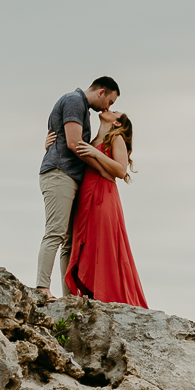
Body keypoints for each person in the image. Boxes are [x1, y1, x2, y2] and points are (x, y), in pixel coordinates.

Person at [35, 77, 121, 298]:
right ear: (101, 92)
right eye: (109, 102)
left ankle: (69, 296)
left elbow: (69, 140)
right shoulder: (75, 101)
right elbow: (74, 144)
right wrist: (102, 169)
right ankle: (42, 288)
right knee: (55, 232)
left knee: (69, 242)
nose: (108, 108)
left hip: (70, 177)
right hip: (60, 173)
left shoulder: (81, 107)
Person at [64, 110, 148, 307]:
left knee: (104, 245)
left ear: (118, 123)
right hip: (86, 196)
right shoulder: (92, 140)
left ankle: (108, 295)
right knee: (88, 244)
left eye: (114, 111)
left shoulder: (116, 138)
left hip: (104, 194)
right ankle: (92, 296)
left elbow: (120, 170)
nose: (108, 109)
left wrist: (95, 153)